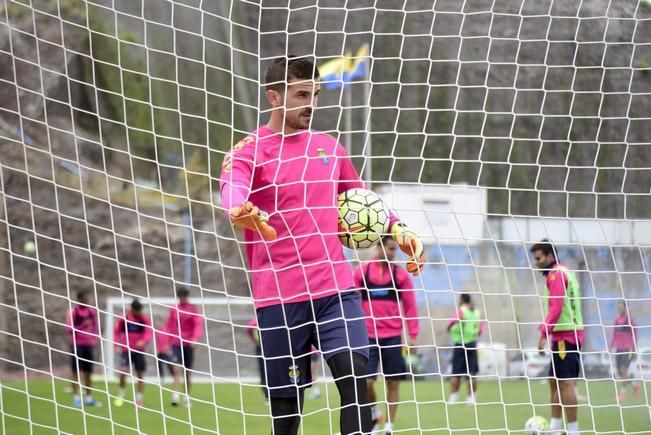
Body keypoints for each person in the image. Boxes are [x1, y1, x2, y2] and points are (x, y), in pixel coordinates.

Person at [219, 55, 425, 435]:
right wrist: (237, 209)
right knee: (287, 412)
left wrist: (398, 229)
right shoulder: (249, 150)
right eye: (301, 94)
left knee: (356, 376)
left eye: (314, 94)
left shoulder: (330, 148)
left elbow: (363, 199)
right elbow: (232, 187)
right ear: (274, 97)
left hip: (335, 290)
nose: (311, 103)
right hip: (280, 296)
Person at [354, 236, 419, 435]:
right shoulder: (361, 272)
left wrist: (413, 334)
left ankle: (389, 427)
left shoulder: (401, 276)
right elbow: (351, 304)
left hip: (392, 336)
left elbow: (410, 306)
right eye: (390, 249)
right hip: (368, 336)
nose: (393, 253)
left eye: (395, 250)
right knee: (366, 382)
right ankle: (374, 413)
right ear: (379, 247)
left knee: (393, 381)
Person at [531, 239, 584, 435]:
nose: (536, 262)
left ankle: (573, 430)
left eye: (538, 258)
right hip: (565, 334)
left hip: (565, 336)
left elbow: (556, 307)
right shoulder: (565, 271)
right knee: (554, 380)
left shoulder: (556, 275)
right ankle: (554, 427)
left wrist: (544, 332)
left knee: (566, 382)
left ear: (549, 256)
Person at [164, 287, 204, 407]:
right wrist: (167, 342)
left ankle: (186, 396)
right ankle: (175, 396)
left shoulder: (192, 309)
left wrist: (195, 338)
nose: (183, 298)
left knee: (187, 372)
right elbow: (169, 326)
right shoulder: (174, 309)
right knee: (177, 369)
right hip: (176, 342)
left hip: (189, 344)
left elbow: (197, 324)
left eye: (184, 296)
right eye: (181, 296)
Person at [113, 299, 153, 407]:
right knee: (123, 371)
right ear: (132, 309)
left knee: (140, 374)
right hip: (126, 350)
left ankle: (139, 399)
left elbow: (149, 332)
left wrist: (143, 341)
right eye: (137, 311)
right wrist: (116, 345)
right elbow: (116, 333)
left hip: (139, 351)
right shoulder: (124, 318)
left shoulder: (144, 319)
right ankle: (121, 395)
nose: (138, 313)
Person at [65, 290, 101, 408]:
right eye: (85, 298)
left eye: (88, 298)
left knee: (88, 373)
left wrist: (94, 339)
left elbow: (95, 327)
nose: (87, 300)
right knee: (75, 372)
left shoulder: (91, 312)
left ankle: (89, 399)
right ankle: (76, 398)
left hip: (88, 346)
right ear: (79, 299)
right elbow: (69, 329)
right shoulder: (73, 312)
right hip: (76, 345)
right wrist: (83, 325)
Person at [446, 293, 483, 405]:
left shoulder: (462, 310)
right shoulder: (476, 312)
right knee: (472, 373)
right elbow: (480, 328)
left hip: (460, 344)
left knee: (456, 372)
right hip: (472, 344)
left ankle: (453, 397)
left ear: (462, 300)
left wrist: (449, 329)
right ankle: (471, 398)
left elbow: (452, 322)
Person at [610, 300, 639, 401]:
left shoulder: (630, 320)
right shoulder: (616, 320)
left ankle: (622, 394)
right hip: (618, 348)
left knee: (623, 370)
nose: (620, 308)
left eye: (622, 307)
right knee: (619, 372)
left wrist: (635, 348)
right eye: (619, 307)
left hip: (628, 348)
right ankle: (634, 384)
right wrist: (610, 346)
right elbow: (614, 334)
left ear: (625, 308)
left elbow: (635, 334)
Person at [247, 317, 269, 400]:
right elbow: (249, 328)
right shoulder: (256, 320)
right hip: (262, 348)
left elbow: (249, 328)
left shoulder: (256, 321)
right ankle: (266, 393)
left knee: (266, 371)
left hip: (267, 347)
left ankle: (269, 393)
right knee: (264, 371)